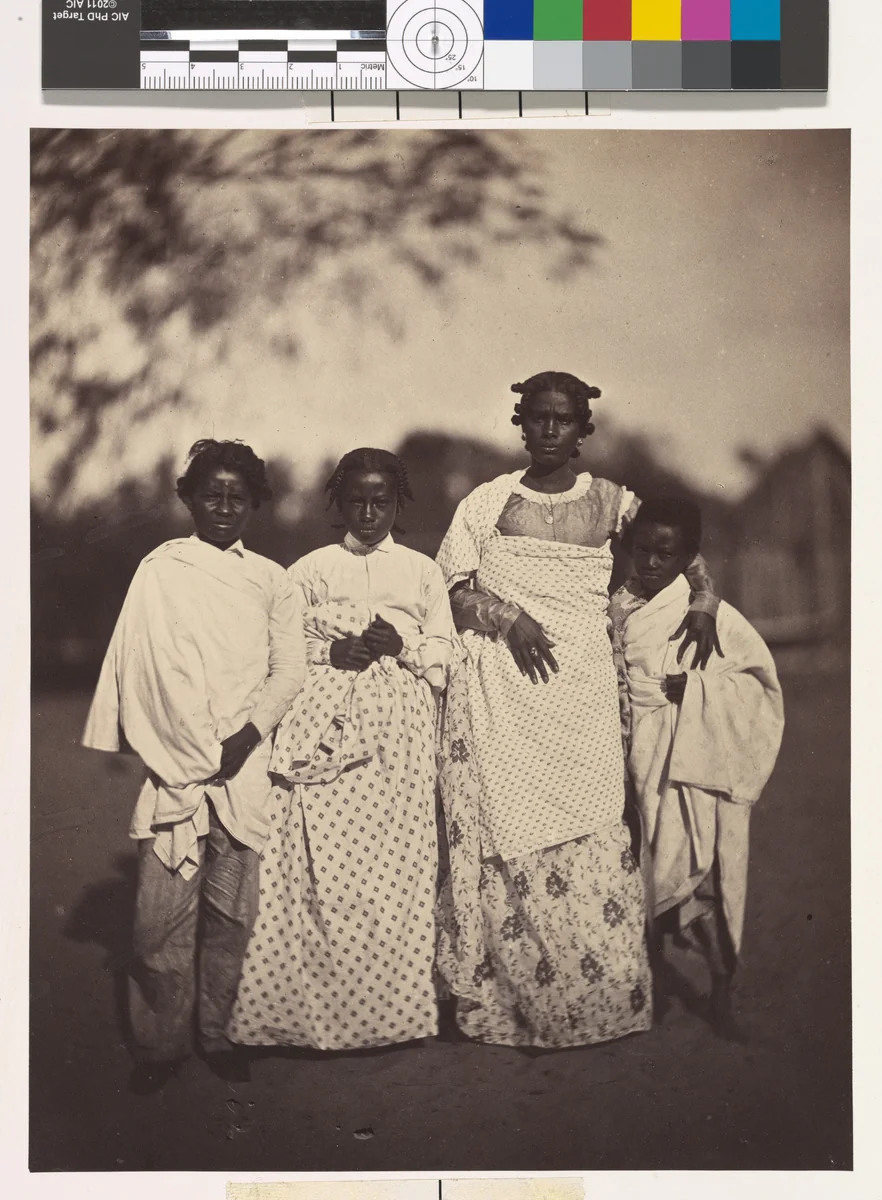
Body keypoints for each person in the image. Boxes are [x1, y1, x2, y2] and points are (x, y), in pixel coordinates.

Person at [434, 370, 723, 1050]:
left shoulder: (616, 503)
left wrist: (705, 600)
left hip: (584, 697)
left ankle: (606, 1006)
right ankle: (511, 1008)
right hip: (506, 697)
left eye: (563, 420)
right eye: (538, 418)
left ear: (583, 430)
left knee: (597, 828)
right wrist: (506, 615)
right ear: (522, 423)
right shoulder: (487, 502)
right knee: (509, 832)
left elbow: (682, 550)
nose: (549, 430)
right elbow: (447, 588)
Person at [82, 439, 307, 1093]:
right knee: (160, 920)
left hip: (245, 765)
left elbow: (287, 669)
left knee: (233, 918)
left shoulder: (272, 579)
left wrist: (248, 732)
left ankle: (216, 1034)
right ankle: (159, 1045)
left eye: (239, 496)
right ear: (188, 497)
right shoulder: (162, 570)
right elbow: (147, 671)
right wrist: (192, 747)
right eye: (213, 493)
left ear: (256, 504)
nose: (225, 506)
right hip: (177, 768)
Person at [227, 448, 454, 1051]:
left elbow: (443, 649)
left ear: (398, 502)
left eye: (382, 502)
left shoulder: (421, 571)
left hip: (398, 740)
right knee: (318, 866)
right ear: (339, 503)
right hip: (320, 730)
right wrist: (331, 653)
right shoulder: (310, 569)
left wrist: (400, 642)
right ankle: (311, 1017)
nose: (369, 512)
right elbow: (282, 644)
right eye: (356, 501)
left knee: (396, 870)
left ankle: (394, 1018)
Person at [609, 497, 784, 1041]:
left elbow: (760, 685)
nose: (653, 563)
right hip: (635, 756)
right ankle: (654, 982)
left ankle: (721, 989)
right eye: (644, 551)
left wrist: (701, 690)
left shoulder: (712, 615)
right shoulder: (618, 608)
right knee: (643, 873)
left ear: (688, 557)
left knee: (703, 879)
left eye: (666, 553)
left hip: (693, 764)